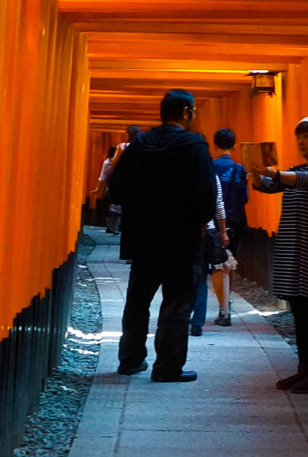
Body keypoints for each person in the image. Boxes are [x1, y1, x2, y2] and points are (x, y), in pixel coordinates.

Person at [102, 92, 215, 382]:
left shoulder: (140, 144)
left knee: (138, 299)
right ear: (187, 112)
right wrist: (200, 223)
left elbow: (116, 186)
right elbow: (206, 193)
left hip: (143, 237)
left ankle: (129, 359)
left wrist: (137, 212)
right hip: (182, 239)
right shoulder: (195, 146)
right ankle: (167, 367)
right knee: (177, 302)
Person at [250, 115, 308, 392]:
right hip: (293, 252)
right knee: (300, 312)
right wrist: (255, 169)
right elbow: (268, 186)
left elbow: (304, 180)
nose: (302, 142)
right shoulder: (295, 170)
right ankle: (303, 369)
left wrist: (274, 173)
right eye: (299, 137)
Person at [192, 127, 249, 332]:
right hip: (237, 222)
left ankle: (223, 308)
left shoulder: (210, 167)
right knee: (228, 265)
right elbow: (244, 197)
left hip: (214, 224)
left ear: (215, 146)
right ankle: (226, 304)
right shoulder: (240, 169)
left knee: (216, 267)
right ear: (234, 145)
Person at [99, 126, 140, 234]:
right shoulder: (142, 147)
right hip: (136, 179)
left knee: (116, 203)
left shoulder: (122, 147)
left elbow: (113, 163)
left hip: (121, 177)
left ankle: (114, 227)